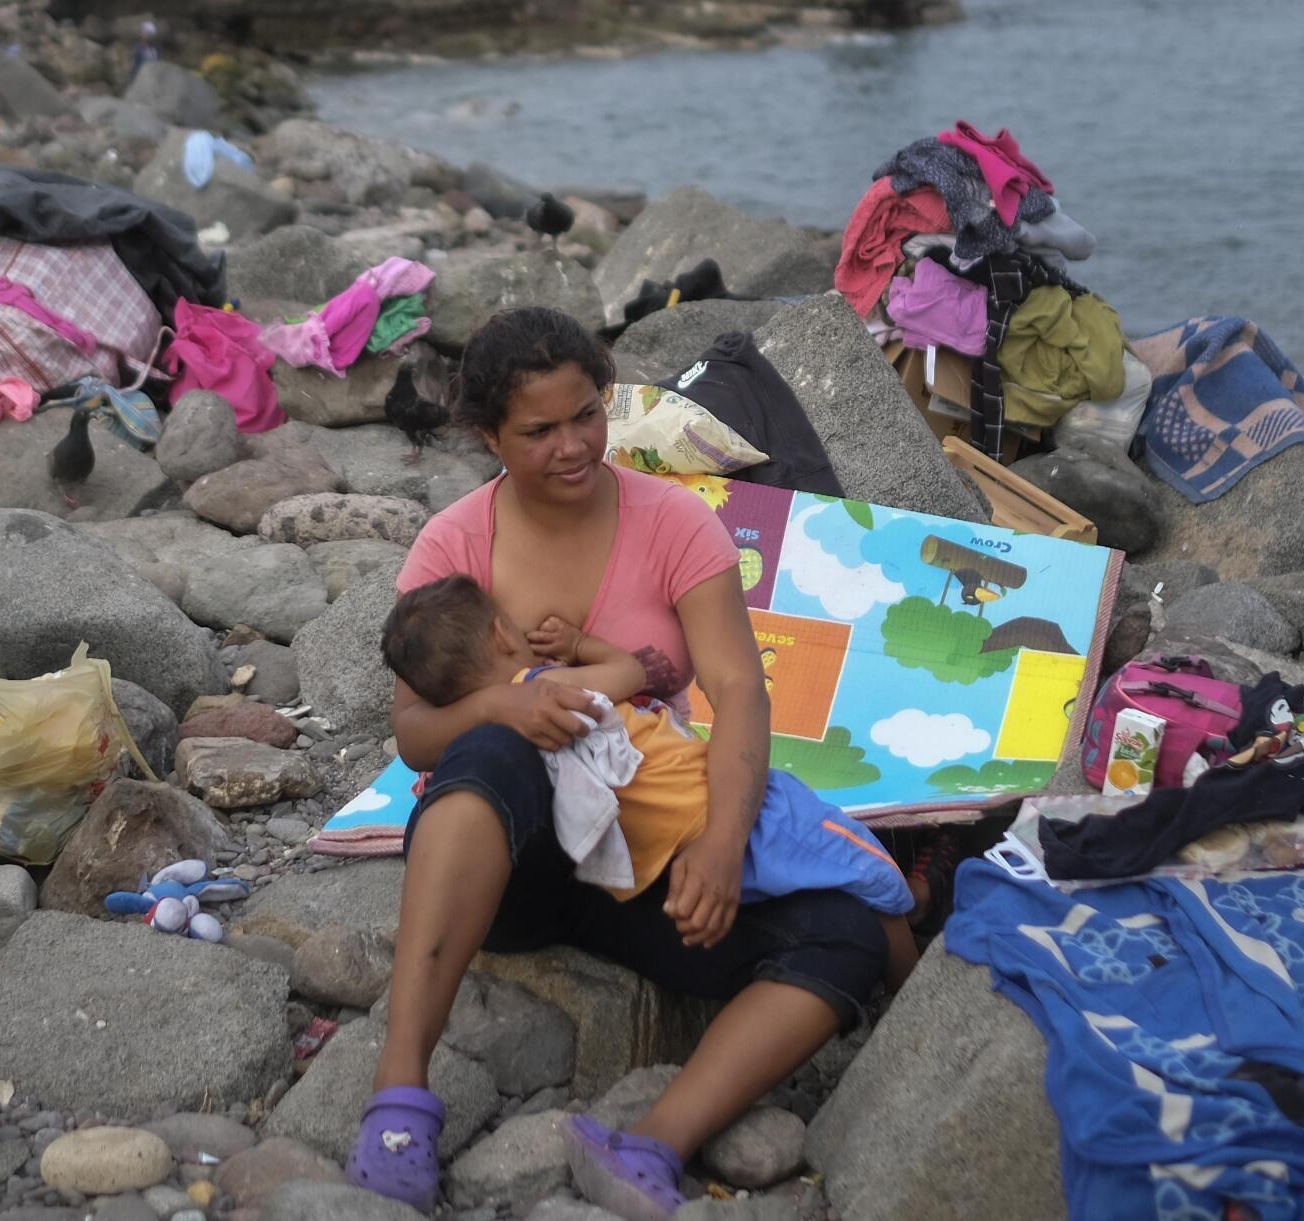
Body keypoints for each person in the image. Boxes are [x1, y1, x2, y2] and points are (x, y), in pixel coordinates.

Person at [354, 308, 923, 1221]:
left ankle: (653, 1143)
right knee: (494, 748)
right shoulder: (456, 543)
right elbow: (415, 734)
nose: (573, 445)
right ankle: (398, 1095)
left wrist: (724, 843)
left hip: (657, 861)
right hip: (521, 869)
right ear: (489, 436)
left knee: (848, 931)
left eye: (587, 414)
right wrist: (505, 703)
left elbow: (738, 689)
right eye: (539, 430)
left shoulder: (675, 522)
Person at [380, 573, 918, 927]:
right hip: (732, 811)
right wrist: (578, 644)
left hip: (663, 860)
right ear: (503, 634)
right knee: (871, 882)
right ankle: (910, 963)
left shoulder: (495, 733)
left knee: (815, 896)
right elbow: (631, 672)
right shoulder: (546, 687)